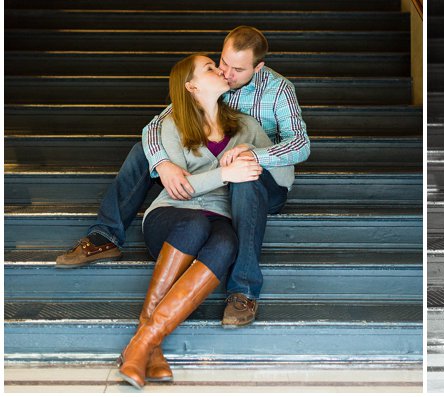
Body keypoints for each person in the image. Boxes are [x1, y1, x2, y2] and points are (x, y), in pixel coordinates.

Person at [56, 26, 310, 327]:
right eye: (222, 63)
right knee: (144, 151)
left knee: (246, 178)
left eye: (237, 69)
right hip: (215, 182)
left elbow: (300, 145)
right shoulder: (211, 84)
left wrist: (253, 154)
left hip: (263, 177)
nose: (226, 73)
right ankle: (106, 234)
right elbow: (157, 126)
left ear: (258, 67)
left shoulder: (278, 91)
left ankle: (243, 288)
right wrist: (163, 163)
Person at [117, 54, 292, 389]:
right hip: (171, 217)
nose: (220, 70)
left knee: (228, 243)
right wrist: (226, 173)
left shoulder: (246, 127)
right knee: (194, 224)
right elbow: (181, 189)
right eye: (210, 68)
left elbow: (285, 175)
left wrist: (253, 157)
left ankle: (143, 342)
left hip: (219, 220)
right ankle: (144, 341)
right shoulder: (172, 125)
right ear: (192, 86)